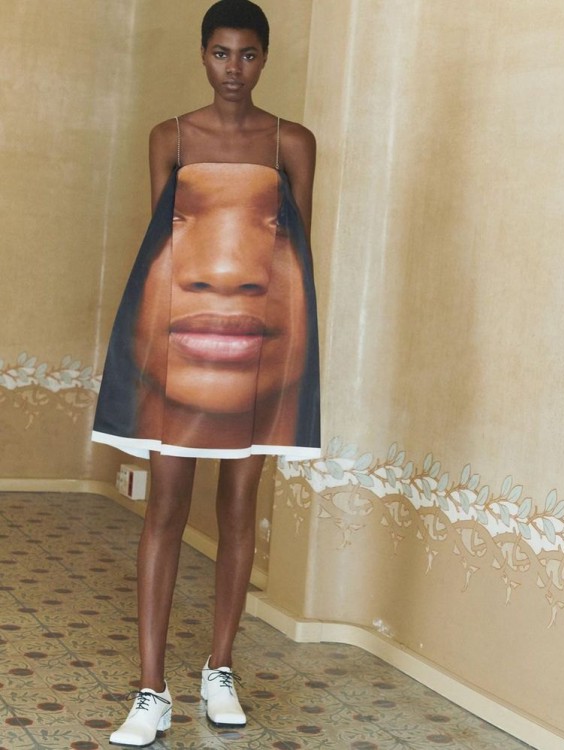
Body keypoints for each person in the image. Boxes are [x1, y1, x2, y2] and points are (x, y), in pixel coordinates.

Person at [92, 1, 320, 746]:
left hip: (255, 344)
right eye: (221, 53)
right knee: (165, 506)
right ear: (202, 55)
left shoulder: (291, 141)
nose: (234, 69)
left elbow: (298, 251)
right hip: (182, 342)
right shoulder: (171, 137)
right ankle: (150, 690)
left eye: (248, 54)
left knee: (238, 506)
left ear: (265, 59)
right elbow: (163, 240)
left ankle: (219, 668)